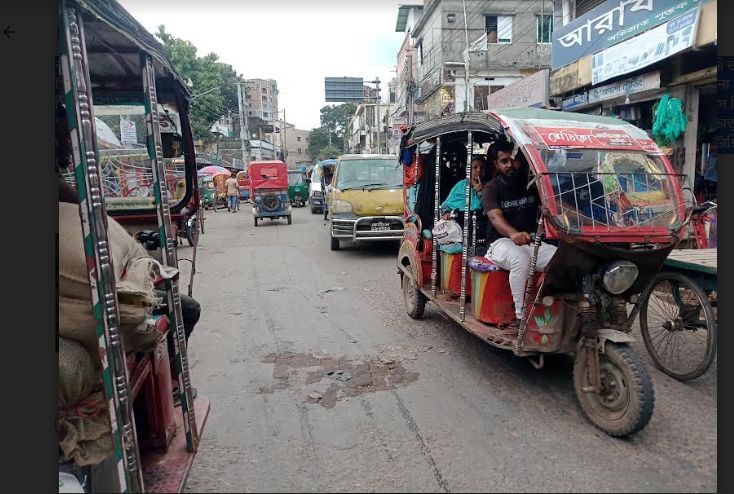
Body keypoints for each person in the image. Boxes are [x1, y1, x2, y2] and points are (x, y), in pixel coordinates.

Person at [482, 140, 557, 328]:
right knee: (519, 258)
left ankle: (550, 308)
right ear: (496, 165)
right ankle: (520, 316)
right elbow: (495, 217)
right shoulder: (491, 188)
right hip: (499, 244)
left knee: (560, 258)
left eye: (513, 160)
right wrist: (513, 234)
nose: (510, 165)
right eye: (504, 161)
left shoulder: (532, 184)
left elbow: (553, 206)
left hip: (530, 241)